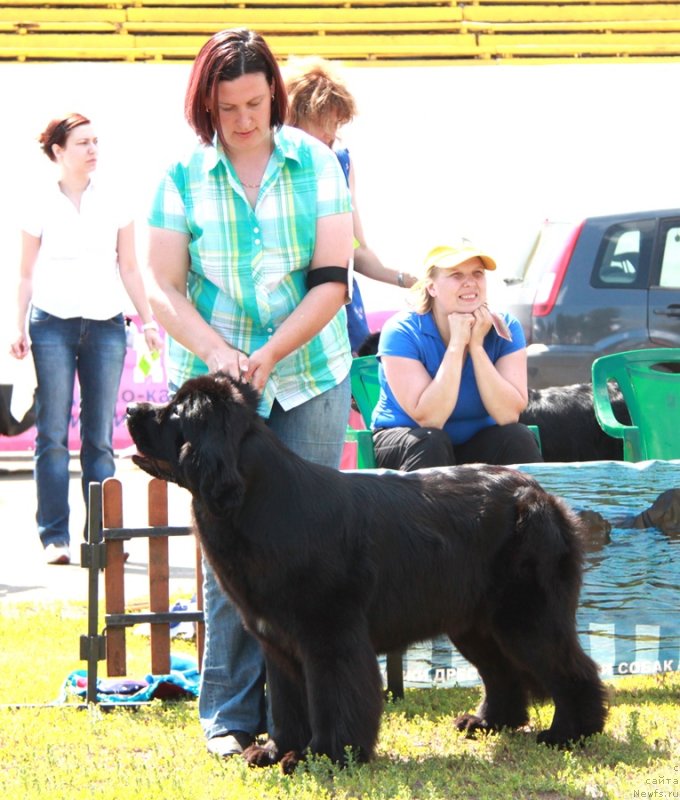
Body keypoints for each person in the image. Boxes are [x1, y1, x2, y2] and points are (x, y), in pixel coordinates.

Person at [145, 29, 354, 758]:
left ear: (276, 95)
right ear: (206, 104)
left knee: (307, 549)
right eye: (227, 106)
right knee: (231, 550)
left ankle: (298, 718)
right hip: (214, 386)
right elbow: (163, 285)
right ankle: (230, 717)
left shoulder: (319, 162)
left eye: (256, 103)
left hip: (309, 372)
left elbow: (332, 281)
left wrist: (268, 352)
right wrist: (219, 354)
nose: (242, 120)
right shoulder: (180, 174)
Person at [9, 112, 162, 566]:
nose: (93, 149)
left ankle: (102, 535)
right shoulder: (37, 201)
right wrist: (16, 326)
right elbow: (23, 273)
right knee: (52, 434)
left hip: (105, 325)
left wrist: (149, 321)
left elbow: (129, 267)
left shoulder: (115, 199)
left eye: (96, 141)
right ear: (58, 150)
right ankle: (53, 536)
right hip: (50, 324)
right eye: (82, 142)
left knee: (99, 436)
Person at [284, 56, 417, 353]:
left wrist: (410, 280)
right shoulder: (268, 167)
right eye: (321, 123)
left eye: (335, 124)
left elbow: (356, 249)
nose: (330, 134)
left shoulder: (340, 162)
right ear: (292, 117)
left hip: (341, 313)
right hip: (288, 314)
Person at [371, 242, 544, 470]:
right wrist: (456, 344)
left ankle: (534, 506)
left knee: (517, 436)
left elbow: (508, 414)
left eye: (477, 273)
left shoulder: (506, 326)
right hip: (409, 440)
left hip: (475, 442)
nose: (470, 282)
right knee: (431, 440)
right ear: (431, 287)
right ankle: (430, 509)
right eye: (456, 275)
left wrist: (476, 347)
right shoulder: (401, 330)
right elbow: (431, 418)